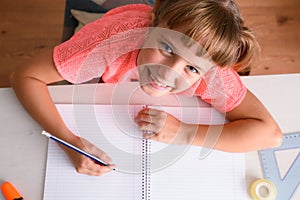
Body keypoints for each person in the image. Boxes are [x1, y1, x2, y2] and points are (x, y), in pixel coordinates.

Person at [10, 0, 282, 176]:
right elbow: (25, 76)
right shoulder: (108, 42)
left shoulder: (211, 68)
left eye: (192, 69)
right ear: (152, 23)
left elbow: (269, 135)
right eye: (167, 48)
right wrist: (68, 140)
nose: (168, 74)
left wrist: (185, 132)